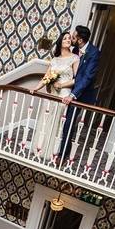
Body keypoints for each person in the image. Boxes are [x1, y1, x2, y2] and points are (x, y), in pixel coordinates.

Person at [30, 32, 79, 160]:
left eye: (69, 38)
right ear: (60, 42)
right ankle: (41, 146)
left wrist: (61, 86)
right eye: (65, 38)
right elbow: (46, 78)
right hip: (52, 93)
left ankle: (52, 150)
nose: (68, 40)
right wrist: (35, 88)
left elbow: (76, 80)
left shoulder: (75, 58)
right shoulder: (55, 60)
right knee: (47, 119)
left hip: (64, 93)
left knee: (57, 121)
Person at [58, 25, 100, 161]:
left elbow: (87, 77)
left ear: (80, 40)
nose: (72, 39)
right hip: (68, 90)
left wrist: (72, 95)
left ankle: (63, 155)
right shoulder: (75, 49)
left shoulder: (94, 53)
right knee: (61, 122)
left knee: (69, 123)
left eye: (74, 37)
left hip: (80, 95)